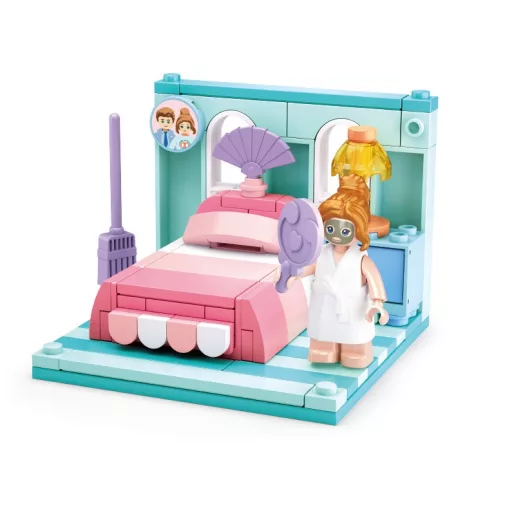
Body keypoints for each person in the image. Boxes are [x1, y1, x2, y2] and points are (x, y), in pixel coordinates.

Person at [287, 174, 389, 368]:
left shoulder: (361, 259)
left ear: (359, 230)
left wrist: (377, 303)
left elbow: (375, 281)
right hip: (324, 303)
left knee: (353, 335)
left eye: (345, 231)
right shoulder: (322, 253)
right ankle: (324, 348)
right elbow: (310, 267)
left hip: (352, 306)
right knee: (323, 332)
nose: (336, 236)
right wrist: (295, 274)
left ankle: (356, 351)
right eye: (330, 228)